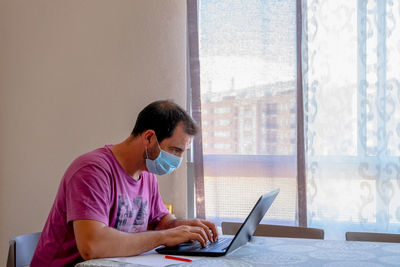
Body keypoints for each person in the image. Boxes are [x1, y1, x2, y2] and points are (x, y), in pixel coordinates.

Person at [31, 100, 218, 266]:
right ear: (149, 138)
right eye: (176, 150)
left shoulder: (147, 175)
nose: (178, 159)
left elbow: (160, 222)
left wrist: (186, 227)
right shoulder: (92, 171)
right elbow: (92, 245)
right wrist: (166, 237)